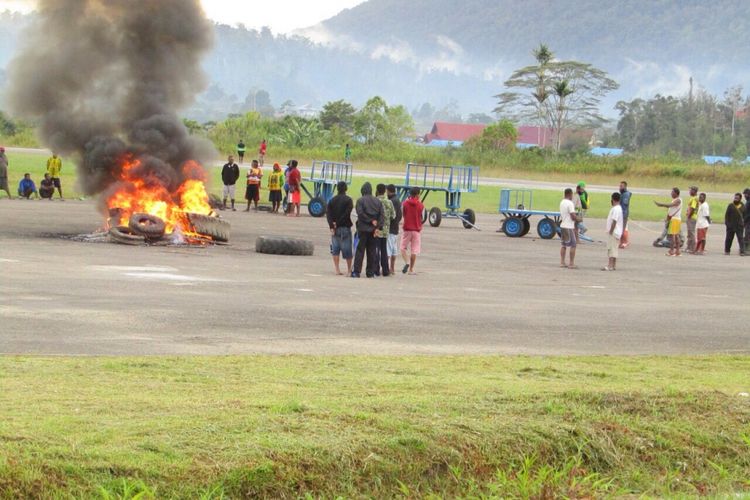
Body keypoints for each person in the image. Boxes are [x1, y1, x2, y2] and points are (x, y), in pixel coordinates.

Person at [352, 182, 384, 278]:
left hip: (362, 229)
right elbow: (382, 216)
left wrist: (370, 221)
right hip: (373, 231)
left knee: (360, 251)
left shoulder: (360, 201)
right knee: (372, 251)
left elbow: (360, 214)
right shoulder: (378, 202)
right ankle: (370, 272)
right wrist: (378, 226)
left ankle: (357, 272)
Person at [326, 181, 354, 276]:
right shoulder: (348, 200)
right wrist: (337, 223)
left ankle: (337, 269)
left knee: (335, 249)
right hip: (345, 227)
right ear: (346, 189)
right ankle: (349, 269)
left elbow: (328, 214)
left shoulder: (332, 200)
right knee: (347, 249)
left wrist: (332, 225)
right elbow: (346, 214)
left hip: (334, 228)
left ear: (337, 189)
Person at [400, 186, 425, 275]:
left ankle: (407, 262)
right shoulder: (421, 205)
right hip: (416, 230)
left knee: (403, 248)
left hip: (407, 229)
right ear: (418, 194)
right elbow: (422, 218)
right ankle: (411, 269)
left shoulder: (405, 203)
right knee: (414, 250)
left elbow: (404, 214)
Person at [654, 188, 683, 257]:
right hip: (676, 219)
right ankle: (677, 251)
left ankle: (672, 251)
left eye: (672, 192)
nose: (671, 193)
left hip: (674, 220)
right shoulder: (676, 200)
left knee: (673, 236)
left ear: (676, 193)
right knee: (676, 236)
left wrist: (660, 204)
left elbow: (670, 205)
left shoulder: (678, 200)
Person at [375, 183, 395, 277]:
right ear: (385, 191)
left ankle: (376, 269)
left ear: (377, 190)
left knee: (376, 249)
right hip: (386, 229)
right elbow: (393, 215)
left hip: (377, 229)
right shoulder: (389, 202)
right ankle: (385, 270)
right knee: (384, 250)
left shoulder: (375, 201)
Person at [602, 192, 623, 271]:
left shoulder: (616, 209)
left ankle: (610, 265)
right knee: (614, 248)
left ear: (613, 199)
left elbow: (614, 221)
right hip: (617, 232)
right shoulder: (618, 208)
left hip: (614, 232)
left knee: (611, 249)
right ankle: (613, 265)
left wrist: (611, 231)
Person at [559, 188, 579, 268]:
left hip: (563, 225)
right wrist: (578, 219)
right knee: (573, 244)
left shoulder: (562, 202)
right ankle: (571, 263)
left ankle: (562, 262)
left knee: (563, 245)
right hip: (569, 226)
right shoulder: (570, 203)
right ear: (570, 194)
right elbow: (573, 216)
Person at [386, 184, 402, 273]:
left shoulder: (391, 201)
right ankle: (392, 268)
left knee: (388, 249)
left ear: (388, 191)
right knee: (394, 250)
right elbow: (399, 215)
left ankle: (387, 268)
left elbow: (391, 215)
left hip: (391, 228)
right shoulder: (398, 200)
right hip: (396, 228)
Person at [685, 186, 699, 253]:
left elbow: (693, 208)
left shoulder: (694, 199)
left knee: (691, 233)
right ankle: (689, 247)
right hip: (691, 217)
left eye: (691, 190)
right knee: (689, 233)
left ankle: (693, 248)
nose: (689, 191)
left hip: (692, 217)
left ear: (694, 191)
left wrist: (689, 216)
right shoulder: (693, 198)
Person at [618, 181, 631, 249]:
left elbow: (624, 205)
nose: (620, 187)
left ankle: (625, 242)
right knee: (622, 228)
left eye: (621, 186)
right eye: (620, 186)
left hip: (623, 214)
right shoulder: (622, 194)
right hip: (621, 214)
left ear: (625, 187)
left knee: (623, 229)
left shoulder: (626, 194)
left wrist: (621, 214)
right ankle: (622, 242)